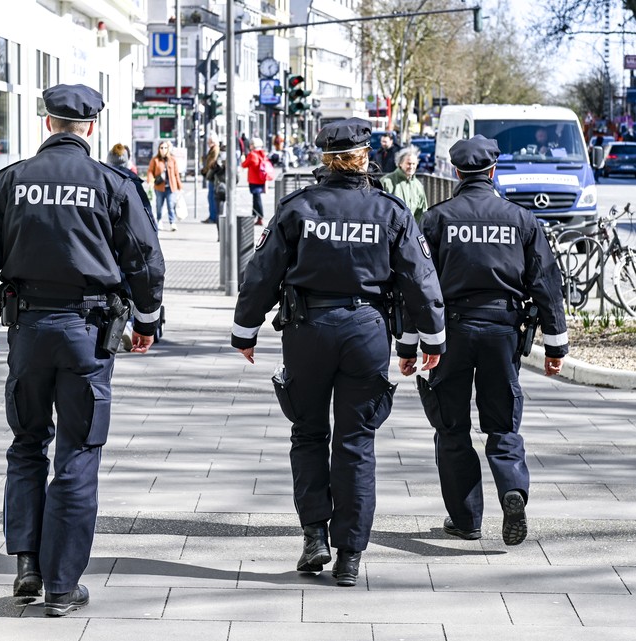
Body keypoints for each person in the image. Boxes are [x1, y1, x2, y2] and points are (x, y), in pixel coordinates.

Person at [0, 83, 165, 617]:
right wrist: (146, 320)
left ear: (46, 124)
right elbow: (143, 257)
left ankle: (27, 562)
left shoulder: (11, 181)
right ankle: (61, 584)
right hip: (89, 330)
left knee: (27, 442)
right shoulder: (111, 182)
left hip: (28, 329)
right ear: (91, 128)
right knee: (78, 450)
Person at [231, 118, 446, 587]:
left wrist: (244, 331)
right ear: (366, 157)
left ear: (325, 159)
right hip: (366, 332)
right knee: (356, 442)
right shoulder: (390, 211)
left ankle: (314, 536)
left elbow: (261, 274)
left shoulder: (298, 208)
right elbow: (419, 280)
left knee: (308, 434)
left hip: (307, 330)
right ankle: (349, 554)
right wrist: (431, 339)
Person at [399, 135, 568, 547]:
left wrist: (408, 345)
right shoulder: (522, 220)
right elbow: (546, 283)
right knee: (503, 423)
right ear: (493, 172)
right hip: (502, 332)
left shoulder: (437, 219)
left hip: (450, 334)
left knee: (451, 427)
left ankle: (466, 520)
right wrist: (556, 346)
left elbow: (416, 284)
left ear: (455, 172)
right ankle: (512, 490)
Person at [380, 145, 429, 223]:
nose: (411, 166)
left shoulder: (418, 186)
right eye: (409, 163)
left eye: (414, 164)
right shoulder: (386, 182)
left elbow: (422, 213)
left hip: (410, 232)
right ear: (400, 163)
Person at [145, 141, 182, 231]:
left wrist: (179, 186)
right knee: (159, 205)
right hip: (159, 187)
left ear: (168, 149)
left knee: (170, 205)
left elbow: (176, 173)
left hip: (170, 187)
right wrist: (150, 181)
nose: (163, 150)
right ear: (159, 149)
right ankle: (159, 220)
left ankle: (172, 222)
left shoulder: (172, 160)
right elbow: (150, 171)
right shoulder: (155, 160)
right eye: (161, 148)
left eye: (165, 148)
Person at [242, 137, 270, 226]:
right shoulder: (262, 154)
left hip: (254, 180)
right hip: (261, 180)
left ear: (253, 145)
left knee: (257, 199)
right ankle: (255, 216)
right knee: (256, 199)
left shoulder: (252, 155)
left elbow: (244, 164)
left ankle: (260, 217)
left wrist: (244, 160)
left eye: (251, 144)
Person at [200, 132, 221, 224]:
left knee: (212, 197)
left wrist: (205, 170)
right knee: (211, 197)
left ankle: (213, 217)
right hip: (212, 175)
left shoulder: (215, 149)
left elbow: (211, 163)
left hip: (213, 176)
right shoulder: (213, 149)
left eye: (209, 141)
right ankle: (213, 216)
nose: (208, 143)